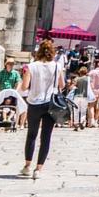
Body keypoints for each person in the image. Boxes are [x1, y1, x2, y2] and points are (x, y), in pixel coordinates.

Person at [20, 40, 64, 179]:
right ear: (52, 52)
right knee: (46, 137)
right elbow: (61, 85)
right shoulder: (57, 66)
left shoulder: (31, 66)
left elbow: (24, 87)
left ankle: (27, 166)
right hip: (51, 104)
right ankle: (38, 169)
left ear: (39, 52)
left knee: (31, 134)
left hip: (34, 103)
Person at [65, 65, 90, 132]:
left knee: (76, 111)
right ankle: (82, 122)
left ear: (80, 72)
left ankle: (76, 125)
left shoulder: (77, 79)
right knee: (83, 111)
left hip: (76, 96)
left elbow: (71, 87)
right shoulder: (88, 79)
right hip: (84, 97)